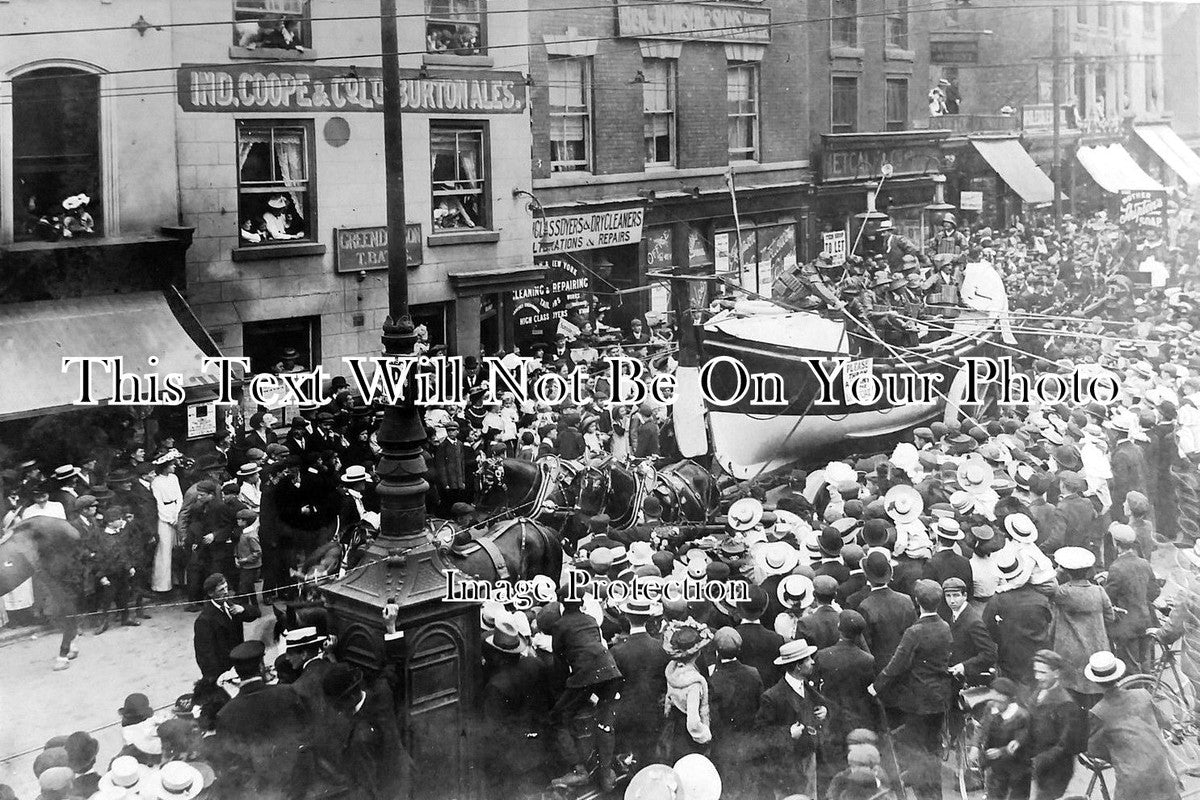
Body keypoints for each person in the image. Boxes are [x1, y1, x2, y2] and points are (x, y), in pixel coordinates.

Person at [869, 579, 953, 800]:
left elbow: (897, 665)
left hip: (918, 699)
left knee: (916, 751)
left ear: (917, 602)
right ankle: (935, 794)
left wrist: (876, 686)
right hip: (939, 697)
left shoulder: (914, 632)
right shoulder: (945, 627)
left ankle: (925, 794)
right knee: (933, 748)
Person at [548, 591, 623, 791]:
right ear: (581, 602)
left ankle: (578, 770)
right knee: (605, 720)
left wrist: (561, 693)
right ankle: (605, 774)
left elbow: (560, 664)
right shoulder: (590, 619)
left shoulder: (559, 625)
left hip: (586, 675)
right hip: (611, 670)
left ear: (562, 603)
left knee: (558, 718)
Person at [1084, 651, 1181, 800]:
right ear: (1118, 675)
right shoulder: (1142, 694)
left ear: (1094, 681)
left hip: (1133, 782)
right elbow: (1164, 722)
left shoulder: (1098, 712)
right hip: (1162, 773)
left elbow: (1094, 749)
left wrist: (1118, 753)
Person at [751, 639, 828, 799]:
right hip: (786, 766)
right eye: (808, 659)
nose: (813, 662)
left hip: (810, 760)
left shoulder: (809, 688)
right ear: (798, 666)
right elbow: (761, 733)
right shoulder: (772, 697)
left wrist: (824, 713)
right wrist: (788, 733)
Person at [610, 597, 670, 769]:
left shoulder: (617, 651)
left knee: (626, 759)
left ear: (627, 617)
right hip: (653, 712)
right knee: (649, 758)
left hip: (626, 713)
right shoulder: (661, 648)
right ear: (649, 617)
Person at [1049, 547, 1113, 702]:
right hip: (1097, 649)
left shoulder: (1063, 593)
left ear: (1067, 572)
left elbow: (1048, 586)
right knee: (1095, 692)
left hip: (1070, 652)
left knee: (1072, 695)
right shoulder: (1098, 591)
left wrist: (1057, 573)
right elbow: (1110, 617)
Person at [706, 626, 763, 795]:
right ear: (739, 649)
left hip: (723, 746)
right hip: (748, 742)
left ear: (717, 651)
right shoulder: (753, 673)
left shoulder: (712, 678)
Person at [1027, 650, 1085, 800]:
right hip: (1037, 764)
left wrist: (1038, 761)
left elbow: (1064, 745)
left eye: (1043, 672)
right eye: (1036, 671)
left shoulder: (1066, 704)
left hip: (1056, 770)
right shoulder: (1039, 691)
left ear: (1056, 673)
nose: (1037, 677)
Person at [1104, 523, 1160, 671]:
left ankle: (1137, 690)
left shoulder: (1116, 568)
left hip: (1127, 626)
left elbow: (1108, 599)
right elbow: (1154, 591)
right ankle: (1149, 691)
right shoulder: (1144, 563)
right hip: (1145, 620)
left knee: (1131, 666)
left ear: (1116, 543)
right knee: (1145, 662)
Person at [970, 677, 1032, 800]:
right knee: (994, 794)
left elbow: (1021, 742)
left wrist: (1001, 751)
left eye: (995, 697)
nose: (992, 701)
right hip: (995, 767)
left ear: (1005, 698)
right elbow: (982, 727)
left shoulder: (1021, 716)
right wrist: (975, 745)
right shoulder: (990, 707)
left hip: (1016, 767)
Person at [661, 619, 713, 761]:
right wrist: (705, 735)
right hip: (688, 737)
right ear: (696, 653)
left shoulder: (673, 669)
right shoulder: (694, 683)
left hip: (674, 726)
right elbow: (693, 722)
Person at [193, 573, 257, 682]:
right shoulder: (204, 620)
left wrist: (243, 609)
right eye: (221, 590)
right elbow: (205, 655)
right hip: (224, 671)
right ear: (211, 593)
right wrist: (215, 679)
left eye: (226, 588)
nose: (226, 592)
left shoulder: (233, 605)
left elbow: (256, 613)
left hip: (240, 663)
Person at [945, 576, 997, 686]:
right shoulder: (956, 614)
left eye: (956, 595)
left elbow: (990, 654)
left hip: (970, 680)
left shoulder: (973, 622)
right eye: (948, 596)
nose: (952, 600)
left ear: (965, 596)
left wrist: (964, 666)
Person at [149, 455, 182, 594]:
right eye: (172, 464)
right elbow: (159, 504)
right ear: (165, 466)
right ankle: (161, 586)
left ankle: (177, 582)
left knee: (178, 548)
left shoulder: (174, 478)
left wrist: (178, 515)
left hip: (176, 512)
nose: (174, 466)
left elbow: (179, 497)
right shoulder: (156, 482)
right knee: (164, 551)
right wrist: (170, 519)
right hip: (164, 518)